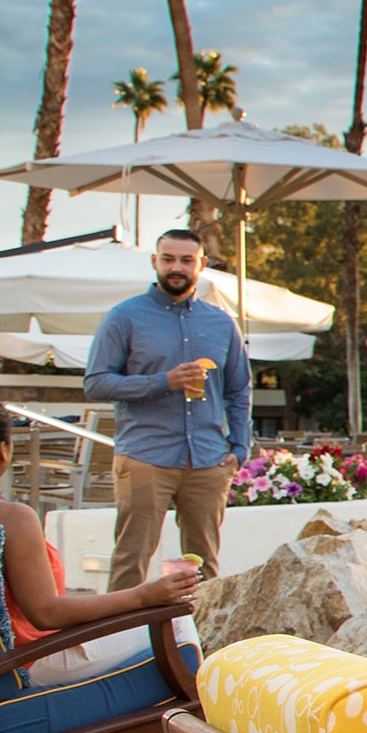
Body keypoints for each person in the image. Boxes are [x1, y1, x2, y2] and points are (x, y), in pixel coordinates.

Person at [0, 395, 200, 682]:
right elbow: (46, 614)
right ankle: (197, 721)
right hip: (26, 662)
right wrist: (142, 596)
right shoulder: (10, 519)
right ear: (3, 450)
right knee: (177, 621)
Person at [83, 229, 250, 589]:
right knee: (131, 561)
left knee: (204, 567)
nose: (177, 267)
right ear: (154, 261)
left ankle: (199, 641)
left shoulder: (221, 323)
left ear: (201, 264)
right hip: (145, 457)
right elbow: (95, 382)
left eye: (186, 260)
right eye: (168, 258)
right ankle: (121, 643)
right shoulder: (123, 317)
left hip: (207, 461)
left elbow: (238, 390)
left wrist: (240, 448)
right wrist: (164, 381)